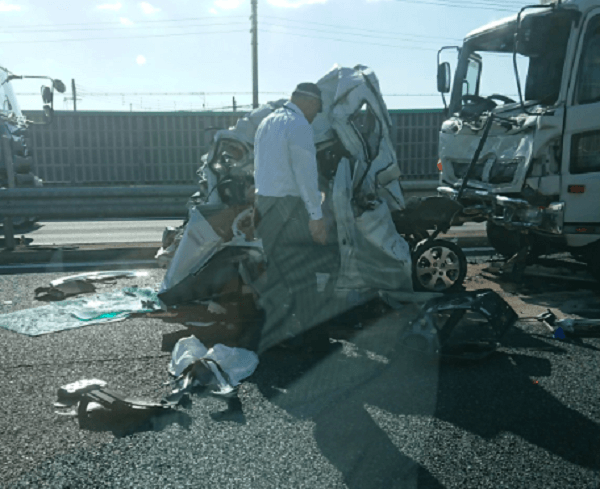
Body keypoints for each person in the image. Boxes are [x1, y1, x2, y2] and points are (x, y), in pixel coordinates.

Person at [252, 82, 334, 351]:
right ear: (309, 102)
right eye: (317, 110)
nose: (315, 116)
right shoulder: (299, 126)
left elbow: (259, 168)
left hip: (265, 206)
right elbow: (305, 175)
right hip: (289, 208)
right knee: (305, 269)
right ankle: (311, 339)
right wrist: (316, 215)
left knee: (275, 270)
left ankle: (276, 335)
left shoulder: (267, 122)